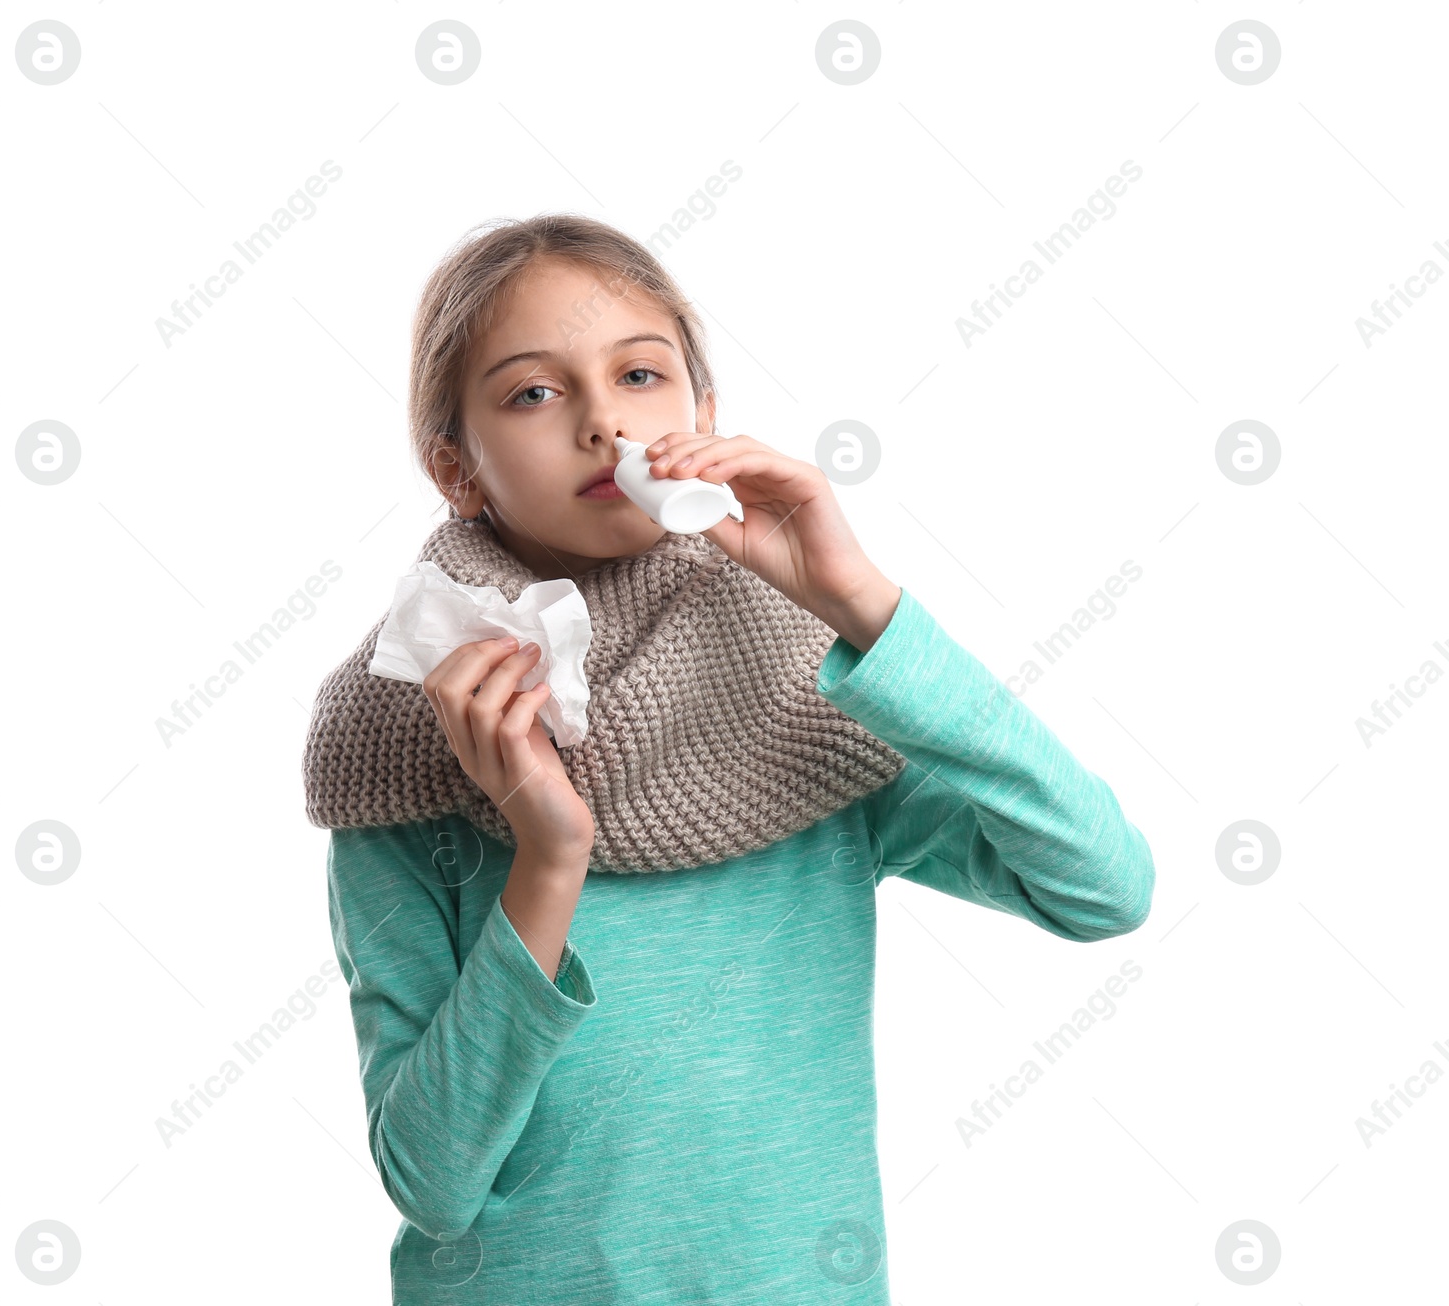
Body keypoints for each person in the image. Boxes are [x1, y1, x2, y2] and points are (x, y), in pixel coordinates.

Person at [302, 213, 1155, 1304]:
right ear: (454, 470)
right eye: (533, 392)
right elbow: (432, 1181)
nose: (603, 420)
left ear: (701, 417)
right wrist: (546, 858)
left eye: (640, 374)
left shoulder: (807, 695)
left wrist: (864, 611)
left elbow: (1103, 887)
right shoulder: (408, 738)